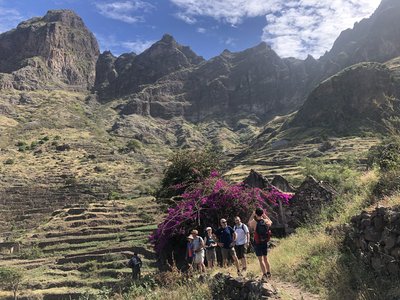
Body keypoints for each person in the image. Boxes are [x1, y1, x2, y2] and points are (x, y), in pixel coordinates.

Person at [248, 207, 273, 281]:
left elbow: (249, 223)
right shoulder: (265, 221)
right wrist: (264, 215)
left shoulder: (254, 222)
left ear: (256, 214)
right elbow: (270, 221)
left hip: (257, 242)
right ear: (262, 213)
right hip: (264, 242)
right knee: (265, 258)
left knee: (260, 259)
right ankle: (269, 273)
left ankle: (264, 274)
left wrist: (252, 215)